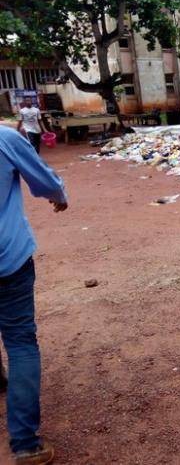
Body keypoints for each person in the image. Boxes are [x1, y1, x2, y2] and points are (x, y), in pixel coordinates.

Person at [0, 124, 67, 464]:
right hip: (7, 259)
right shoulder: (4, 138)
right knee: (21, 342)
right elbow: (43, 180)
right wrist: (60, 197)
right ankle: (25, 444)